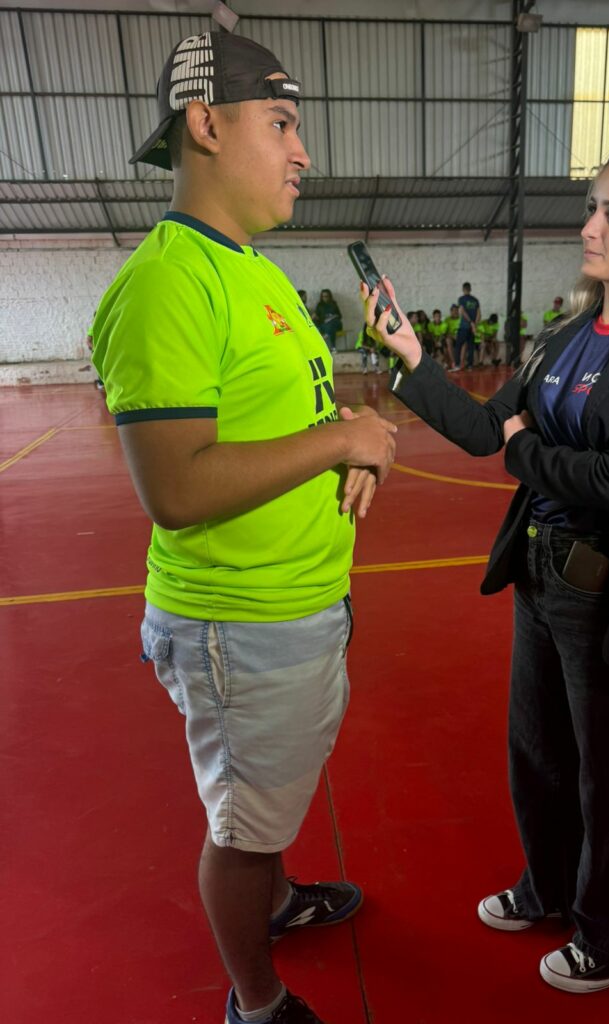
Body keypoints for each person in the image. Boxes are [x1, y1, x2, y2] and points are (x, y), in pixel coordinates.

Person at [362, 137, 609, 993]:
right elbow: (487, 427)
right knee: (537, 752)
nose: (590, 224)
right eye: (593, 206)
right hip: (542, 569)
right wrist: (412, 358)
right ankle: (553, 888)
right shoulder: (568, 334)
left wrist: (524, 451)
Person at [91, 31, 398, 1024]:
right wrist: (339, 439)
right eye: (283, 123)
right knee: (241, 823)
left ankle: (275, 892)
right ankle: (258, 1002)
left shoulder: (254, 270)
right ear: (207, 125)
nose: (303, 151)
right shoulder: (169, 283)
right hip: (241, 625)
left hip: (290, 607)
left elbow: (287, 422)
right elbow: (178, 489)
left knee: (264, 801)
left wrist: (350, 444)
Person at [455, 281, 481, 369]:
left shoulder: (461, 299)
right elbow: (478, 314)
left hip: (464, 326)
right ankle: (470, 365)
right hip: (472, 328)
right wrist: (475, 325)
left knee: (458, 345)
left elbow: (462, 311)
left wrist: (470, 322)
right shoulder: (475, 300)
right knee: (471, 346)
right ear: (470, 289)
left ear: (463, 289)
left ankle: (457, 365)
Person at [313, 288, 343, 353]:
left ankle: (327, 335)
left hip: (336, 323)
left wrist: (333, 317)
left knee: (332, 324)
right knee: (331, 328)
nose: (325, 298)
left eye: (326, 296)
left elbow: (340, 316)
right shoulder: (320, 305)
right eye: (323, 296)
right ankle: (333, 347)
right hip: (325, 325)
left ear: (329, 296)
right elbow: (316, 317)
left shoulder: (333, 304)